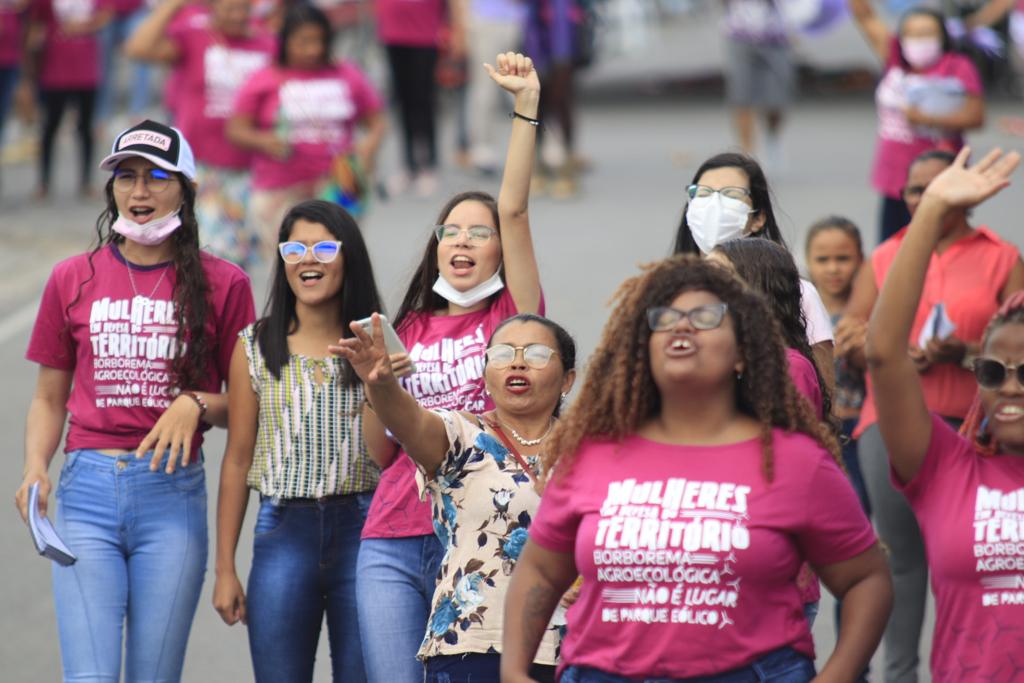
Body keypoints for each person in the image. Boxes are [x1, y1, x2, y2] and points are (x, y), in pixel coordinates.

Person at [501, 256, 892, 683]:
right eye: (664, 318)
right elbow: (539, 570)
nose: (682, 326)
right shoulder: (591, 454)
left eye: (705, 317)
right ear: (642, 349)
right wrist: (515, 673)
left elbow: (866, 580)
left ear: (743, 351)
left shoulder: (795, 459)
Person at [14, 119, 255, 682]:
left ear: (186, 189)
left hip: (172, 498)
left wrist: (195, 403)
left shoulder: (227, 285)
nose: (139, 192)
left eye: (156, 177)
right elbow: (49, 398)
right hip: (85, 495)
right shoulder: (72, 277)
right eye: (126, 177)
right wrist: (35, 468)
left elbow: (247, 410)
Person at [354, 51, 543, 683]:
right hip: (391, 534)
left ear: (499, 250)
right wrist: (378, 388)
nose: (461, 241)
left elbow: (515, 208)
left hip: (482, 537)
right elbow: (380, 452)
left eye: (477, 232)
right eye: (450, 231)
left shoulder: (513, 319)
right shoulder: (402, 328)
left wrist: (524, 108)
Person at [836, 147, 1024, 683]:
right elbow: (880, 351)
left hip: (950, 402)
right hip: (914, 425)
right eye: (992, 373)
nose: (1010, 386)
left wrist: (962, 352)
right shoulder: (949, 469)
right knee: (903, 561)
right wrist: (930, 215)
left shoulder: (1001, 255)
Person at [333, 312, 576, 683]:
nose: (518, 361)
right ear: (485, 375)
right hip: (471, 646)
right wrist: (380, 385)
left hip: (571, 646)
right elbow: (409, 421)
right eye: (502, 354)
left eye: (537, 354)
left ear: (567, 380)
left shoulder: (594, 450)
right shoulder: (459, 434)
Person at [212, 200, 386, 682]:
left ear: (348, 256)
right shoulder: (254, 344)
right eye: (296, 248)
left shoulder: (376, 344)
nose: (309, 260)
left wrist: (377, 377)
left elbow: (389, 454)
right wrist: (224, 568)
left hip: (364, 531)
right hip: (283, 532)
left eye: (325, 248)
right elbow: (236, 460)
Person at [125, 0, 276, 271]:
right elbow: (138, 47)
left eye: (243, 8)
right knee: (209, 251)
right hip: (202, 169)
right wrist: (172, 5)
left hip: (253, 170)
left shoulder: (266, 43)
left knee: (239, 259)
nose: (237, 15)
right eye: (229, 8)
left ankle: (230, 311)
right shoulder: (194, 36)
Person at [228, 3, 386, 261]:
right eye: (303, 42)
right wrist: (264, 141)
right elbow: (236, 129)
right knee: (291, 264)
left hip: (339, 185)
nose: (313, 49)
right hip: (280, 189)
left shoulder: (346, 73)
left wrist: (368, 146)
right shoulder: (265, 78)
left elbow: (376, 120)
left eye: (319, 41)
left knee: (338, 260)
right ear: (285, 41)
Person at [672, 151, 836, 391]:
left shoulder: (798, 292)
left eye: (731, 194)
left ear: (758, 218)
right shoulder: (668, 289)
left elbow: (825, 392)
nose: (714, 205)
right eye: (703, 193)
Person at [847, 0, 986, 242]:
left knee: (936, 245)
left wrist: (925, 118)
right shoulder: (895, 59)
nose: (918, 41)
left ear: (941, 36)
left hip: (937, 176)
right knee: (891, 247)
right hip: (895, 175)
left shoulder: (957, 66)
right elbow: (864, 16)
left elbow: (976, 116)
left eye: (926, 33)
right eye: (912, 34)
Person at [806, 216, 870, 514]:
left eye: (843, 259)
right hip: (818, 425)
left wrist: (861, 349)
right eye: (822, 259)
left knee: (863, 499)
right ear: (807, 260)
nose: (833, 268)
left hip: (861, 425)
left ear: (861, 259)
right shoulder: (799, 310)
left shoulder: (870, 310)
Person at [375, 0, 466, 197]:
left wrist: (458, 33)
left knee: (424, 102)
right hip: (393, 35)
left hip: (425, 36)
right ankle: (408, 165)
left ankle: (429, 164)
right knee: (402, 103)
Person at [26, 0, 113, 199]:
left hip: (86, 70)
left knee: (85, 128)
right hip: (55, 69)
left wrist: (85, 26)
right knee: (50, 126)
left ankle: (86, 181)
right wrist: (29, 70)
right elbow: (35, 23)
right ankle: (44, 182)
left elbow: (107, 12)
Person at [721, 0, 795, 165]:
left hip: (776, 37)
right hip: (739, 35)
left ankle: (772, 137)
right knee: (742, 96)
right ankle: (748, 153)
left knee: (777, 99)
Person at [524, 0, 584, 198]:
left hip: (563, 34)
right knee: (536, 103)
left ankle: (567, 166)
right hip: (535, 34)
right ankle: (538, 164)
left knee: (561, 102)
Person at [465, 0, 526, 175]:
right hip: (485, 20)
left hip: (515, 20)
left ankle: (534, 142)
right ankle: (482, 146)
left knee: (523, 84)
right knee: (485, 87)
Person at [96, 0, 153, 134]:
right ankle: (101, 115)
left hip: (135, 9)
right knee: (102, 67)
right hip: (106, 8)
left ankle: (137, 112)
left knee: (142, 58)